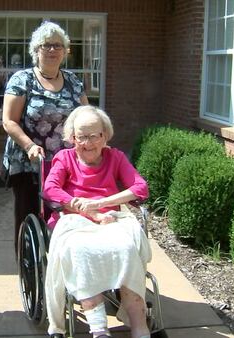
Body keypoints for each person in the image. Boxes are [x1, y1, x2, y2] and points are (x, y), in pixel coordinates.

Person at [43, 106, 152, 338]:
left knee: (127, 248)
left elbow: (140, 187)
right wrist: (81, 206)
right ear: (72, 137)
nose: (88, 142)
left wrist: (102, 202)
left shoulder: (116, 157)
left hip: (110, 221)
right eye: (81, 136)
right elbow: (50, 189)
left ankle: (140, 327)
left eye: (94, 135)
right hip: (73, 220)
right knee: (81, 251)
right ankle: (99, 329)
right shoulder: (65, 158)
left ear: (105, 135)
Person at [1, 21, 89, 251]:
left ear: (65, 51)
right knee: (28, 215)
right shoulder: (22, 80)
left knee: (63, 216)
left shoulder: (73, 81)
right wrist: (29, 145)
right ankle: (28, 264)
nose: (52, 50)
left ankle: (60, 261)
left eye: (58, 45)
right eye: (46, 45)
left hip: (65, 163)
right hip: (30, 162)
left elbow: (86, 117)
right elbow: (9, 121)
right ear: (36, 50)